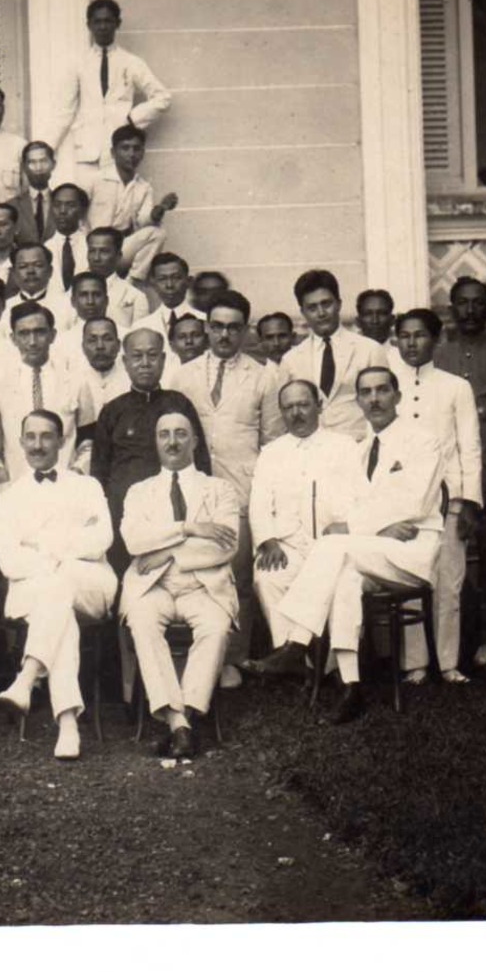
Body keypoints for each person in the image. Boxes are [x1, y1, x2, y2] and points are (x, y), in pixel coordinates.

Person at [251, 366, 446, 724]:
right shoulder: (362, 447)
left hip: (412, 550)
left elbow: (415, 503)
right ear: (356, 400)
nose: (374, 399)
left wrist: (353, 526)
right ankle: (351, 686)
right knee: (343, 577)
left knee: (332, 545)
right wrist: (372, 529)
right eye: (366, 392)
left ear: (397, 395)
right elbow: (362, 502)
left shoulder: (422, 440)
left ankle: (296, 645)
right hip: (374, 549)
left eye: (382, 390)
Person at [170, 290, 287, 681]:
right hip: (197, 489)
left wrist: (264, 497)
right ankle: (200, 656)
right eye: (216, 326)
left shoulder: (264, 376)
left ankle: (233, 659)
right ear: (206, 327)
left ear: (245, 331)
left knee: (238, 577)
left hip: (243, 488)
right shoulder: (183, 375)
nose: (224, 335)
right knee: (198, 576)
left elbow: (273, 443)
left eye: (233, 328)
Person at [0, 410, 118, 760]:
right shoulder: (9, 498)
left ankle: (27, 677)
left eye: (46, 436)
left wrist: (42, 546)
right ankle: (67, 723)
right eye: (30, 436)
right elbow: (9, 562)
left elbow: (101, 539)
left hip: (91, 584)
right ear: (20, 443)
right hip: (32, 588)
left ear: (62, 442)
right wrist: (66, 549)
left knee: (57, 587)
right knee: (57, 596)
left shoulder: (86, 486)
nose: (37, 444)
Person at [119, 409, 240, 758]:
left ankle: (181, 718)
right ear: (155, 442)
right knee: (142, 624)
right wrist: (189, 528)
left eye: (181, 434)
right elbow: (135, 543)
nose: (172, 442)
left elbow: (225, 545)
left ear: (195, 441)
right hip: (151, 585)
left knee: (215, 628)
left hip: (203, 585)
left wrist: (169, 553)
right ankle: (180, 723)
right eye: (164, 434)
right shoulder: (138, 492)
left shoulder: (220, 490)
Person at [390, 308, 483, 684]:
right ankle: (415, 662)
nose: (411, 343)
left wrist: (469, 502)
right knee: (409, 578)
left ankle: (448, 662)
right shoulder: (388, 386)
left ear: (435, 339)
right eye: (405, 336)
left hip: (448, 499)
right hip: (403, 502)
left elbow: (469, 447)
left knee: (449, 581)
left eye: (420, 335)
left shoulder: (455, 387)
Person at [434, 276, 486, 666]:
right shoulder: (438, 357)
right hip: (448, 473)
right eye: (462, 303)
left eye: (477, 303)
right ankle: (456, 637)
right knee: (449, 559)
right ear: (451, 310)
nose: (469, 310)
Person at [244, 380, 358, 664]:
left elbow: (360, 498)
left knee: (337, 583)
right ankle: (293, 658)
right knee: (267, 578)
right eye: (289, 407)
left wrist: (347, 527)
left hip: (332, 546)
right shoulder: (271, 452)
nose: (297, 413)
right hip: (289, 545)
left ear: (319, 406)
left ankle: (329, 664)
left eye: (303, 405)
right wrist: (268, 541)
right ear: (281, 412)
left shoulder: (344, 446)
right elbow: (258, 503)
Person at [89, 328, 212, 577]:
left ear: (164, 360)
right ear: (125, 362)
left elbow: (201, 463)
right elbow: (99, 473)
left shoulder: (179, 403)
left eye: (152, 355)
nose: (145, 363)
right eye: (137, 356)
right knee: (127, 578)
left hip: (175, 507)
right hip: (123, 512)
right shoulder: (113, 411)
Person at [41, 0, 172, 191]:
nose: (102, 27)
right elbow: (64, 111)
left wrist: (131, 118)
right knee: (86, 203)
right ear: (89, 25)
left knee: (117, 203)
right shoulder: (78, 63)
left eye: (108, 21)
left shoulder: (131, 62)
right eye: (97, 21)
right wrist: (46, 149)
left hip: (119, 149)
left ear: (117, 24)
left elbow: (163, 98)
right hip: (86, 152)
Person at [0, 303, 94, 484]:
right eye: (24, 334)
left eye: (39, 332)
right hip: (16, 486)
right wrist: (2, 476)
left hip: (65, 486)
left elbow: (89, 440)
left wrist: (77, 472)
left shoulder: (76, 382)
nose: (32, 341)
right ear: (13, 338)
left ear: (52, 335)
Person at [280, 269, 387, 437]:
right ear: (303, 312)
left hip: (359, 450)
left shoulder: (370, 350)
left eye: (326, 304)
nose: (321, 313)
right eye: (312, 307)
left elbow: (384, 410)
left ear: (339, 303)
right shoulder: (291, 360)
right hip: (312, 452)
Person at [88, 124, 176, 284]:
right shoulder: (95, 180)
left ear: (143, 152)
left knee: (158, 233)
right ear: (113, 152)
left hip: (119, 250)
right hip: (91, 250)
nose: (131, 154)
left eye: (137, 149)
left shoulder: (143, 187)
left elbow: (144, 221)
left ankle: (133, 283)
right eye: (125, 148)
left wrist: (161, 208)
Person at [129, 253, 200, 351]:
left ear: (188, 281)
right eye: (162, 279)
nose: (169, 285)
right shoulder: (141, 326)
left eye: (176, 278)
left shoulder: (203, 320)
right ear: (153, 283)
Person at [71, 316, 131, 421]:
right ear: (83, 347)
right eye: (92, 340)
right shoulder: (71, 382)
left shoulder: (131, 380)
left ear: (118, 345)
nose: (100, 346)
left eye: (107, 339)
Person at [4, 242, 72, 324]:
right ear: (13, 273)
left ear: (50, 271)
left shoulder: (68, 306)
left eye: (38, 265)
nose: (30, 271)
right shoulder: (5, 309)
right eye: (23, 266)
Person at [11, 141, 58, 246]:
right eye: (32, 162)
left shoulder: (61, 203)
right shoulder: (12, 206)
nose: (38, 168)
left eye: (44, 161)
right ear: (24, 167)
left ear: (53, 164)